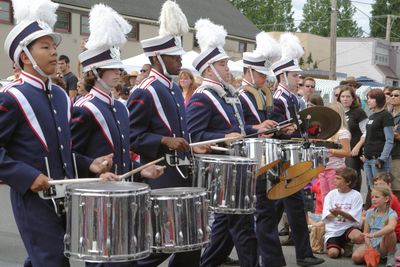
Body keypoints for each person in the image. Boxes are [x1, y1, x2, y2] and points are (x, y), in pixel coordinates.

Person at [1, 1, 115, 266]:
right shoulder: (11, 97)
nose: (54, 53)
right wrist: (28, 176)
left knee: (46, 258)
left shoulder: (62, 97)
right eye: (45, 47)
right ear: (25, 56)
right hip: (32, 201)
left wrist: (90, 164)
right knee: (52, 260)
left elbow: (62, 152)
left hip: (64, 197)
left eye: (54, 47)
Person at [128, 2, 207, 266]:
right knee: (162, 243)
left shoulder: (173, 88)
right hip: (160, 173)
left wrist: (192, 145)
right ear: (157, 59)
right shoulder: (144, 90)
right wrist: (163, 140)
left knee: (192, 241)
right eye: (175, 57)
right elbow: (132, 135)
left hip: (183, 171)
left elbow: (179, 130)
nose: (181, 61)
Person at [186, 19, 262, 267]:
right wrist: (223, 138)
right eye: (222, 64)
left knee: (224, 228)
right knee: (243, 226)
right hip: (221, 171)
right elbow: (194, 136)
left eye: (226, 63)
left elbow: (235, 130)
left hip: (235, 167)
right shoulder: (202, 97)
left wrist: (255, 129)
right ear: (209, 70)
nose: (228, 67)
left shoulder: (228, 93)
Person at [270, 32, 324, 266]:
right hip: (281, 160)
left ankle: (304, 253)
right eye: (295, 76)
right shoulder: (279, 98)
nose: (298, 80)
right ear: (282, 75)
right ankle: (302, 253)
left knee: (290, 207)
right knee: (276, 211)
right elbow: (277, 129)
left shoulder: (292, 98)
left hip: (292, 159)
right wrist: (289, 131)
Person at [237, 32, 287, 267]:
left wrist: (279, 128)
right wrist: (257, 127)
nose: (264, 79)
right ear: (249, 71)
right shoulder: (240, 95)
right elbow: (238, 127)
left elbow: (263, 123)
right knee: (252, 217)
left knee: (249, 219)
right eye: (260, 74)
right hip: (249, 157)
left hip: (262, 155)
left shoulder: (260, 93)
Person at [322, 167, 364, 259]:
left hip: (348, 227)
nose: (335, 180)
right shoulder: (331, 195)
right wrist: (335, 214)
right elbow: (326, 215)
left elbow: (354, 218)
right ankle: (340, 246)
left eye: (338, 178)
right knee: (333, 254)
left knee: (359, 237)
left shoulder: (356, 195)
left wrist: (340, 212)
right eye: (335, 177)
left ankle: (348, 244)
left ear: (348, 182)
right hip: (333, 230)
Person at [362, 89, 394, 209]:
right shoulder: (372, 116)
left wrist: (382, 158)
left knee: (381, 192)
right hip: (368, 159)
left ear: (379, 100)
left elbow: (389, 140)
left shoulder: (386, 116)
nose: (368, 101)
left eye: (371, 98)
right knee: (373, 191)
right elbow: (368, 137)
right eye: (368, 98)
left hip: (378, 160)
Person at [352, 186, 398, 267]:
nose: (373, 199)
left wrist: (373, 235)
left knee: (390, 233)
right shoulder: (369, 213)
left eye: (377, 197)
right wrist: (368, 245)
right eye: (372, 197)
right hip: (372, 241)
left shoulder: (392, 213)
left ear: (386, 199)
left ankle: (390, 256)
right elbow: (366, 233)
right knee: (356, 258)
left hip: (383, 242)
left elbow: (391, 227)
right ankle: (380, 256)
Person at [318, 102, 351, 203]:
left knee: (335, 198)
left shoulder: (342, 132)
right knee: (325, 198)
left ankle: (336, 218)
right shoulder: (325, 131)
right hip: (323, 169)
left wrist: (330, 151)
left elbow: (347, 152)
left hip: (336, 170)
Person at [337, 85, 367, 191]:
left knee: (351, 179)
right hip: (338, 152)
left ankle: (355, 204)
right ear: (339, 98)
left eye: (348, 96)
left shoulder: (359, 112)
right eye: (343, 96)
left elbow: (366, 132)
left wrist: (357, 147)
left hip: (352, 152)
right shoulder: (337, 113)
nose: (345, 99)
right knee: (340, 180)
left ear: (353, 98)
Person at [373, 173, 400, 242]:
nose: (378, 186)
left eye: (381, 184)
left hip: (394, 231)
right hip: (382, 227)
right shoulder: (377, 198)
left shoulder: (391, 198)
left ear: (389, 185)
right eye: (376, 184)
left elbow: (378, 216)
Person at [390, 87, 400, 201]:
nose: (393, 97)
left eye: (396, 95)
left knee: (397, 187)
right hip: (386, 154)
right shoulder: (388, 114)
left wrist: (389, 132)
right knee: (387, 187)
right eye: (391, 95)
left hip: (397, 154)